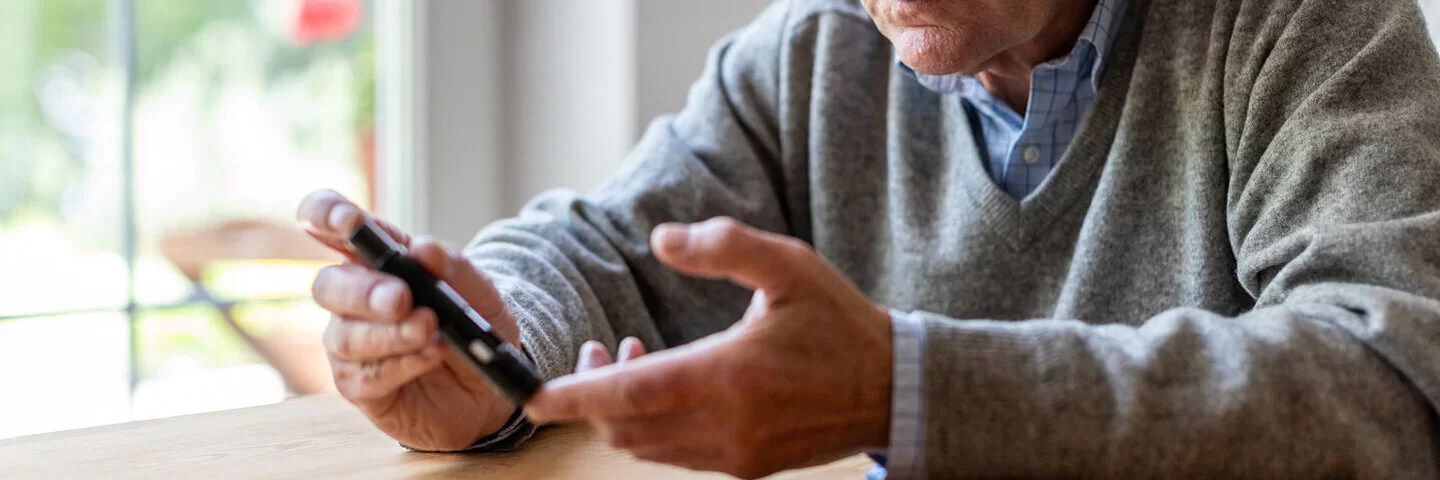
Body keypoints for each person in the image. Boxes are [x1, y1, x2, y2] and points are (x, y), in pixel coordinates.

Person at [298, 0, 1440, 477]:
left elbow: (1393, 386)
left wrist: (909, 389)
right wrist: (492, 354)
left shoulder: (1306, 29)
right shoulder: (813, 56)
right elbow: (596, 250)